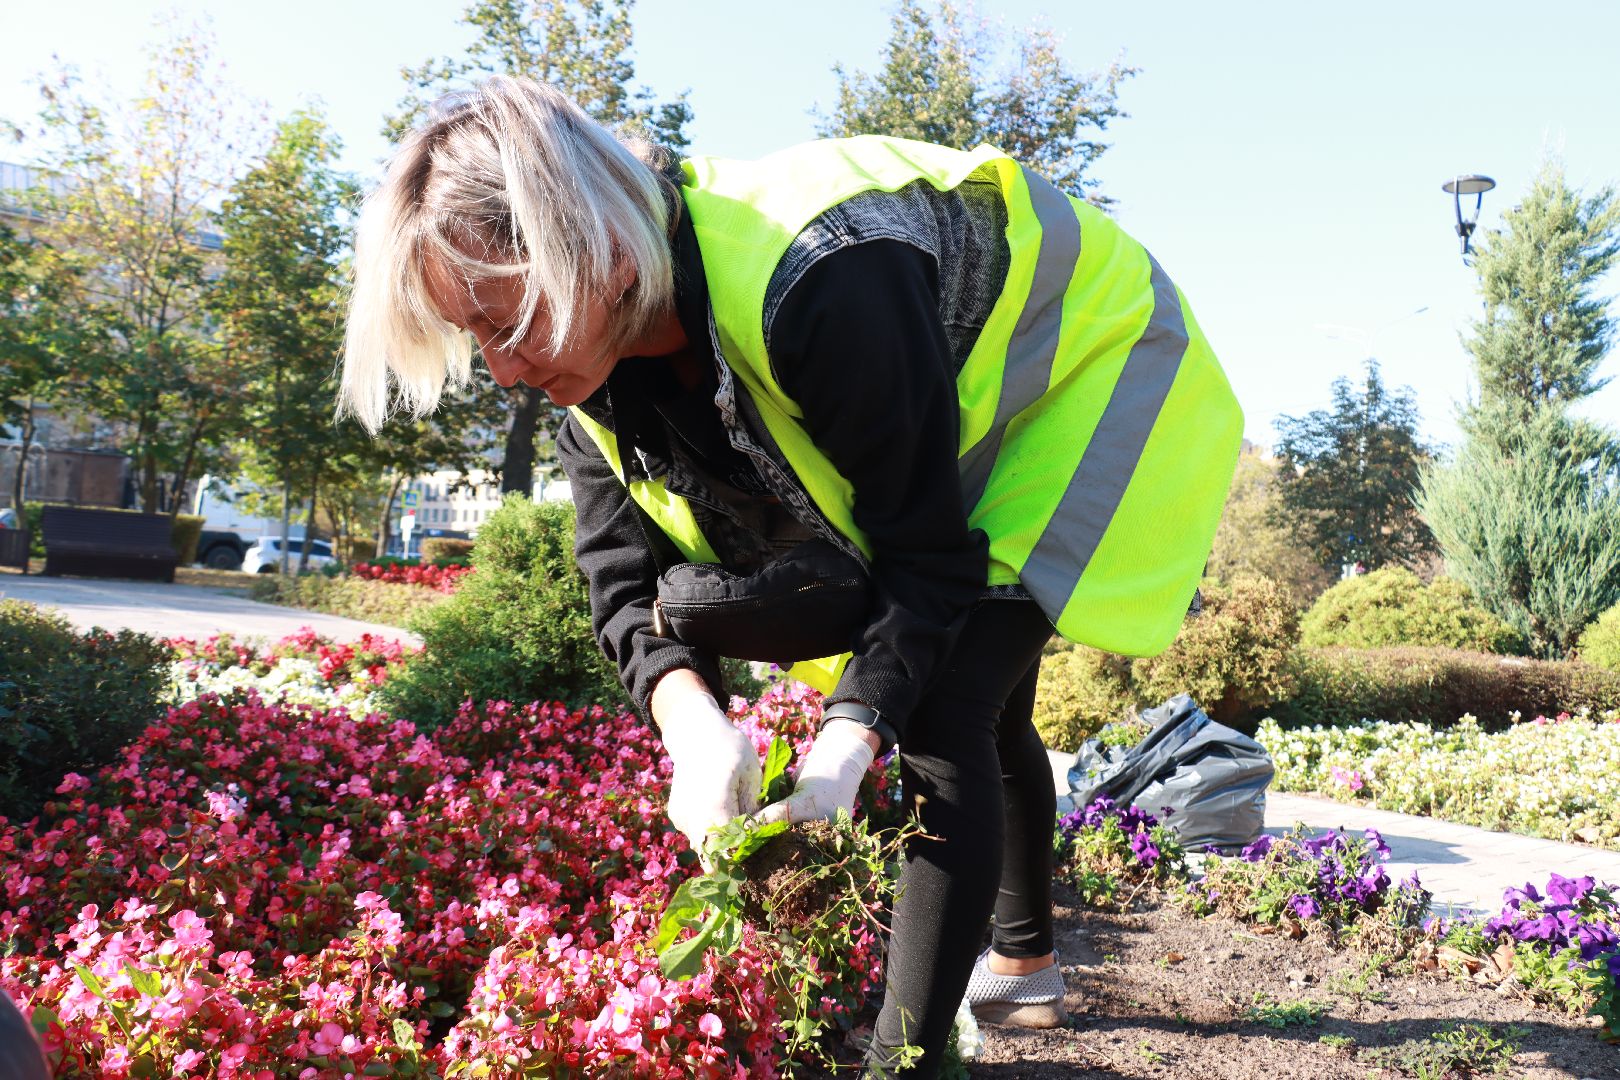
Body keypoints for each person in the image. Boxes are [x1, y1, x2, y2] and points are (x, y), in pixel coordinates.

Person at [340, 75, 1242, 1077]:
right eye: (476, 339)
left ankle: (904, 1064)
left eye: (507, 325)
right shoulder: (589, 376)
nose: (501, 370)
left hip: (1090, 370)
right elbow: (622, 582)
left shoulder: (820, 279)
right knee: (988, 702)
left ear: (590, 247)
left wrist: (840, 758)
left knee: (948, 706)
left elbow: (925, 561)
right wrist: (693, 728)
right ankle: (1023, 960)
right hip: (957, 411)